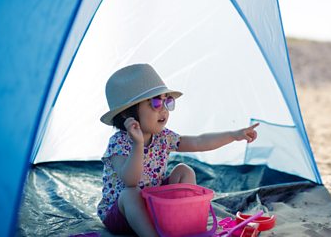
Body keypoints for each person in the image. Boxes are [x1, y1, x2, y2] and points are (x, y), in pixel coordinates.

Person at [97, 64, 259, 236]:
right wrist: (137, 145)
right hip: (122, 215)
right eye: (155, 102)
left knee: (183, 170)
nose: (164, 110)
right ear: (126, 114)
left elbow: (199, 142)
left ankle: (183, 221)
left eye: (166, 101)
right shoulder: (119, 142)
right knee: (131, 194)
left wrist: (234, 135)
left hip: (153, 205)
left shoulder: (163, 137)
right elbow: (130, 181)